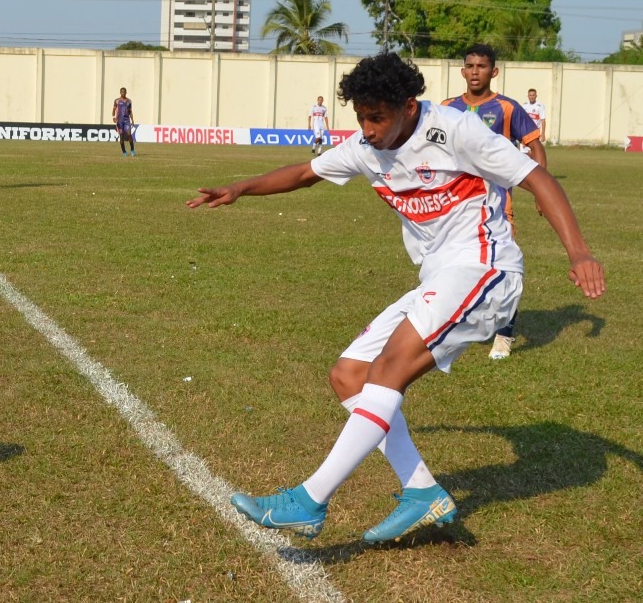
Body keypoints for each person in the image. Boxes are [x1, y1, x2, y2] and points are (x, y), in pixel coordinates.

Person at [186, 52, 604, 545]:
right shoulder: (367, 147)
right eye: (360, 117)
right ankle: (422, 492)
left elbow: (537, 178)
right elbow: (305, 173)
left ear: (409, 106)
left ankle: (308, 500)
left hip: (486, 269)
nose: (366, 128)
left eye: (377, 117)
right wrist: (239, 188)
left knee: (388, 370)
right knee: (349, 375)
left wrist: (579, 252)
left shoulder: (456, 131)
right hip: (437, 278)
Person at [443, 44, 546, 359]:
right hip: (456, 206)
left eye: (482, 66)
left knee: (504, 270)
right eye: (470, 66)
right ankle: (454, 324)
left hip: (498, 205)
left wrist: (543, 190)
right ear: (463, 71)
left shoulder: (507, 108)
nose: (475, 72)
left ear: (494, 71)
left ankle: (504, 334)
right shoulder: (446, 107)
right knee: (453, 267)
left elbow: (535, 147)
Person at [113, 87, 135, 157]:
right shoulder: (117, 101)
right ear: (120, 93)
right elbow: (113, 110)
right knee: (121, 136)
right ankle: (124, 152)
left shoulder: (129, 101)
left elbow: (130, 111)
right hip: (119, 121)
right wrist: (113, 117)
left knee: (129, 134)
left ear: (126, 92)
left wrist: (132, 119)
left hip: (126, 120)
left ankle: (132, 150)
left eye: (124, 92)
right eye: (122, 92)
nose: (123, 93)